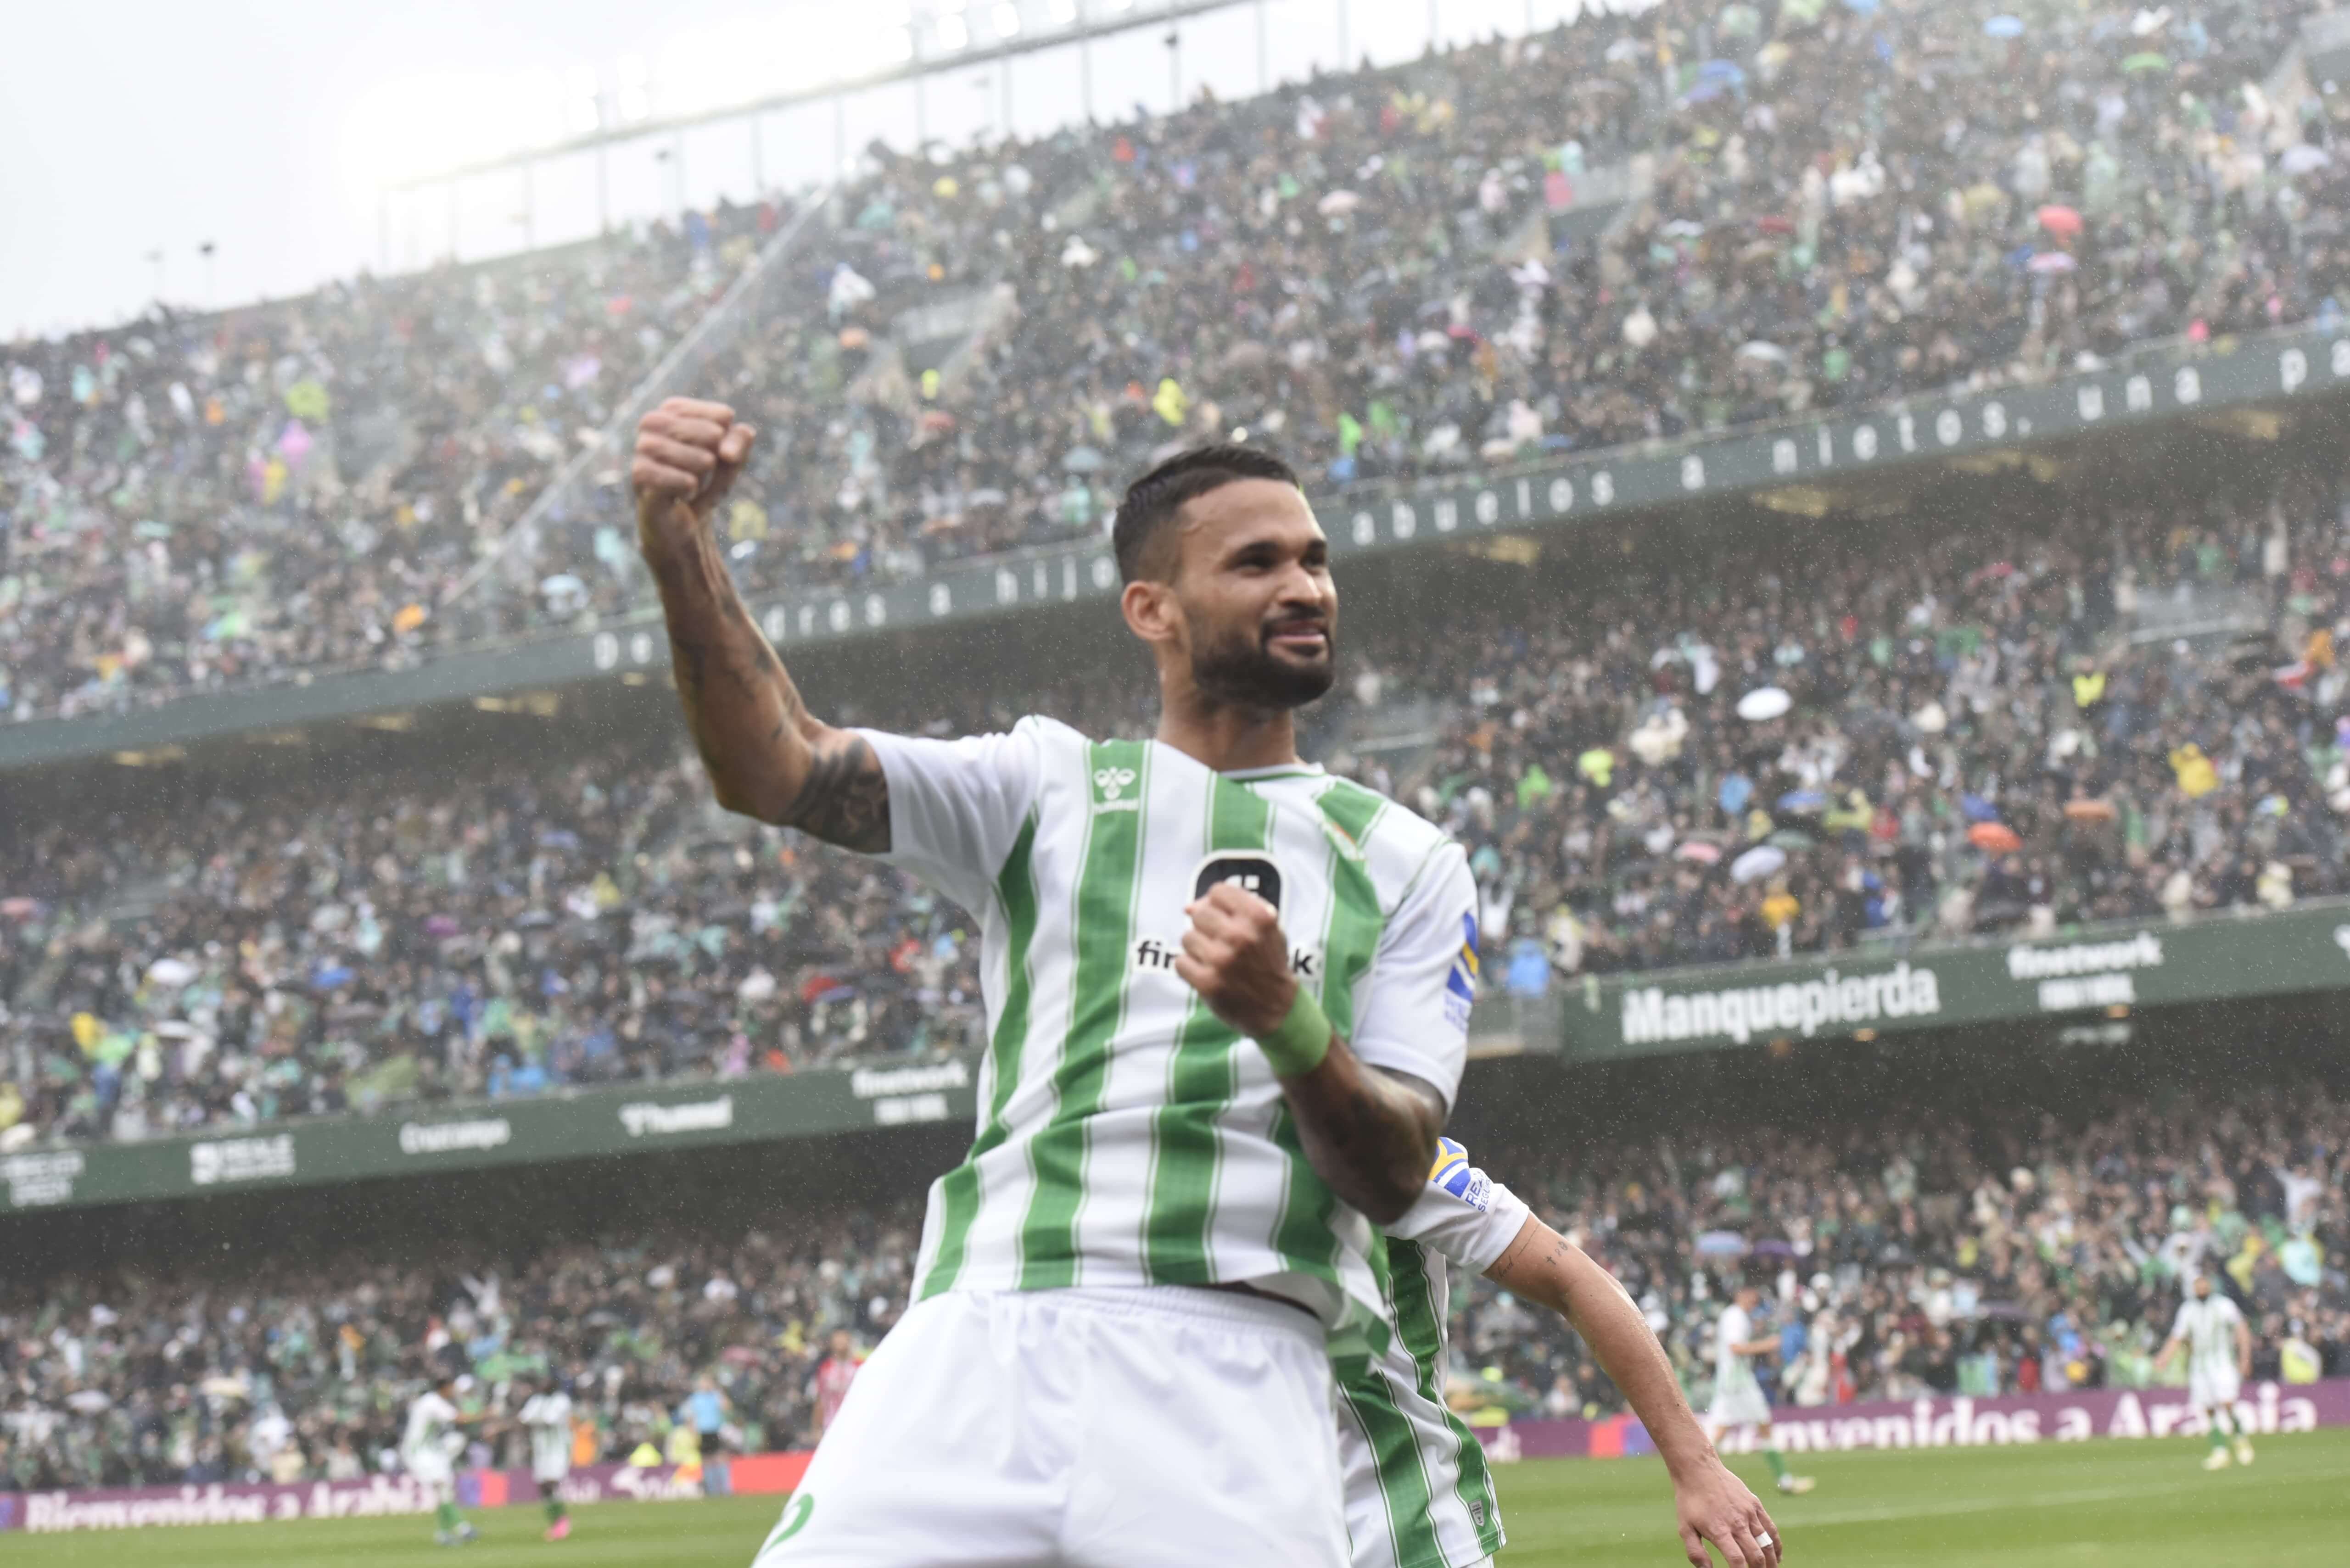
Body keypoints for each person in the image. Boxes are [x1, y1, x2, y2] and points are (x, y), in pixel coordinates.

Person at [632, 407, 1471, 1568]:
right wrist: (680, 549)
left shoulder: (1406, 860)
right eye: (1258, 561)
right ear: (1152, 610)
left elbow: (1394, 1170)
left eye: (1315, 560)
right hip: (985, 1335)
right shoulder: (1044, 784)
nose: (1306, 586)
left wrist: (1292, 1025)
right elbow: (771, 765)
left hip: (1234, 1370)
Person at [1346, 1138, 1782, 1568]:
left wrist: (1697, 1466)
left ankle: (1773, 1471)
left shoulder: (1372, 1140)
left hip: (1397, 1534)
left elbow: (1577, 1280)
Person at [1703, 1282, 1815, 1497]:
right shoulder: (1735, 1317)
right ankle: (1784, 1480)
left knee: (1742, 1427)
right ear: (1742, 1294)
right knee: (1729, 1430)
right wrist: (1767, 1345)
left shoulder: (1735, 1316)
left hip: (1735, 1382)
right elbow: (1735, 1348)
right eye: (1752, 1295)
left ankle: (1784, 1480)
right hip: (1737, 1384)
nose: (1755, 1300)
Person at [2155, 1273, 2254, 1469]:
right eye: (2197, 1284)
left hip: (2223, 1363)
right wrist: (2164, 1357)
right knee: (2208, 1409)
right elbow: (2177, 1336)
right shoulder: (2187, 1309)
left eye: (2204, 1283)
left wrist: (2245, 1358)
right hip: (2199, 1366)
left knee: (2227, 1403)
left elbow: (2242, 1329)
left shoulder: (2224, 1305)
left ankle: (2240, 1440)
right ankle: (2220, 1451)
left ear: (2210, 1285)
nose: (2201, 1288)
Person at [403, 1374, 479, 1546]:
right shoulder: (433, 1402)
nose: (454, 1391)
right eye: (452, 1387)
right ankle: (463, 1528)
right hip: (418, 1452)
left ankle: (444, 1533)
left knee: (444, 1491)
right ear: (444, 1388)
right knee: (444, 1485)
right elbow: (459, 1418)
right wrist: (485, 1415)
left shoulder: (431, 1401)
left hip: (429, 1450)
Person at [517, 1374, 575, 1542]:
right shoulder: (537, 1400)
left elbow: (550, 1420)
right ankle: (556, 1521)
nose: (543, 1384)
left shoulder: (562, 1400)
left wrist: (532, 1420)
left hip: (558, 1449)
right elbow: (523, 1419)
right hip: (541, 1449)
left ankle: (562, 1522)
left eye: (546, 1381)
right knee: (543, 1487)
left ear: (554, 1383)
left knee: (551, 1483)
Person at [810, 1330, 863, 1439]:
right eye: (838, 1341)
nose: (841, 1344)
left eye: (843, 1340)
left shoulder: (859, 1367)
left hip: (855, 1423)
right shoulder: (826, 1368)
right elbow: (821, 1398)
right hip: (831, 1423)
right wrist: (816, 1427)